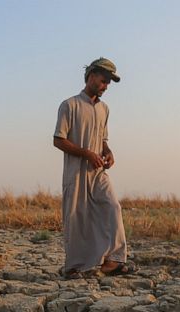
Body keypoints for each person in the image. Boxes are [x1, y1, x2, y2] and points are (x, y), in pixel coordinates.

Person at [53, 57, 133, 279]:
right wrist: (86, 153)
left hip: (98, 172)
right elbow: (58, 140)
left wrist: (107, 151)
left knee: (112, 206)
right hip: (76, 171)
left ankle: (114, 260)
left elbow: (102, 139)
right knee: (77, 217)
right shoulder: (69, 105)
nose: (106, 86)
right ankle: (74, 267)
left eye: (108, 83)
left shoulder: (104, 109)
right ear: (91, 76)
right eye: (103, 80)